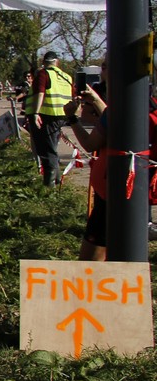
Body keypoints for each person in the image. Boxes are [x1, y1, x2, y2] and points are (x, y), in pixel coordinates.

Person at [66, 58, 110, 260]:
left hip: (110, 188)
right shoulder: (137, 99)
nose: (102, 69)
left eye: (107, 65)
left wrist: (72, 118)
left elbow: (91, 143)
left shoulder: (121, 104)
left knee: (91, 260)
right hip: (121, 187)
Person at [30, 52, 74, 186]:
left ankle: (50, 185)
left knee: (47, 150)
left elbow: (40, 93)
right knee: (52, 148)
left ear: (44, 62)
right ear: (57, 62)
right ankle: (57, 179)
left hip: (48, 115)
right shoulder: (67, 77)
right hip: (62, 116)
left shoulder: (43, 74)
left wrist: (35, 113)